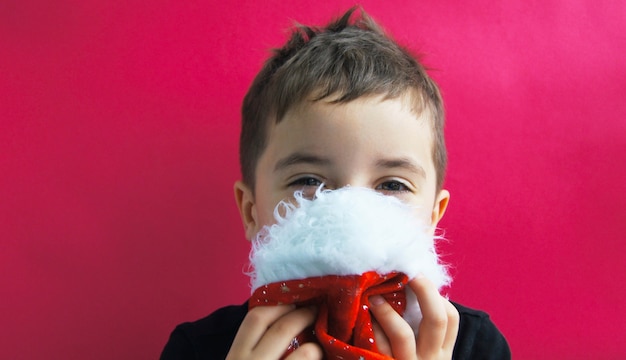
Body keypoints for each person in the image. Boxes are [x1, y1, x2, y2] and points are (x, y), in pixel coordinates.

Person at [161, 6, 510, 360]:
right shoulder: (198, 349)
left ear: (434, 216)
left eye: (392, 185)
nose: (351, 213)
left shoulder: (474, 346)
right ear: (251, 212)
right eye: (310, 181)